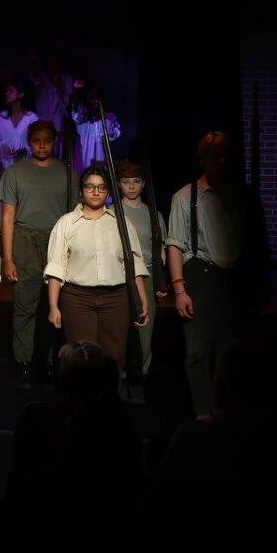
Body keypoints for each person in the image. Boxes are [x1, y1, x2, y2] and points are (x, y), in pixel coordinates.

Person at [166, 131, 256, 419]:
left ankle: (230, 411)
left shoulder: (245, 196)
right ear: (202, 159)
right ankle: (204, 412)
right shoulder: (185, 196)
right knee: (198, 351)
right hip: (201, 276)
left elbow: (257, 243)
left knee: (232, 351)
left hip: (235, 279)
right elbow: (175, 244)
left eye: (226, 154)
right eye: (215, 154)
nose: (222, 160)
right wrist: (179, 289)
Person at [44, 167, 149, 377]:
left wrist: (143, 299)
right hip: (77, 298)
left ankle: (109, 405)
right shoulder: (66, 223)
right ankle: (80, 406)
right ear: (81, 190)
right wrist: (54, 306)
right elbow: (56, 267)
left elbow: (134, 264)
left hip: (115, 298)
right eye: (90, 187)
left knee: (114, 357)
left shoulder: (121, 222)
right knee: (81, 358)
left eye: (101, 187)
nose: (95, 192)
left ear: (109, 192)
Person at [0, 119, 74, 388]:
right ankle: (24, 362)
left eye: (48, 140)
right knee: (25, 304)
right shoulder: (15, 173)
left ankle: (57, 359)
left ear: (55, 141)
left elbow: (76, 215)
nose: (42, 146)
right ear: (29, 141)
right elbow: (7, 217)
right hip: (25, 241)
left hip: (58, 240)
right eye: (36, 140)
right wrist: (7, 257)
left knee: (60, 304)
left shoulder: (67, 173)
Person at [116, 159, 168, 404]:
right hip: (119, 276)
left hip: (145, 274)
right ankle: (121, 376)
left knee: (144, 330)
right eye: (126, 182)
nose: (132, 187)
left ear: (144, 184)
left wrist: (162, 282)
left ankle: (140, 376)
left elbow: (161, 250)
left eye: (136, 182)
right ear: (119, 184)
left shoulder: (153, 213)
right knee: (120, 328)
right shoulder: (113, 211)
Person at [0, 82, 38, 223]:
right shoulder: (1, 117)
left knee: (22, 196)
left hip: (24, 164)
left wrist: (25, 150)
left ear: (20, 94)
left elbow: (35, 140)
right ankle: (2, 225)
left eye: (11, 90)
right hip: (6, 164)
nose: (7, 93)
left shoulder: (31, 117)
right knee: (5, 197)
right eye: (7, 91)